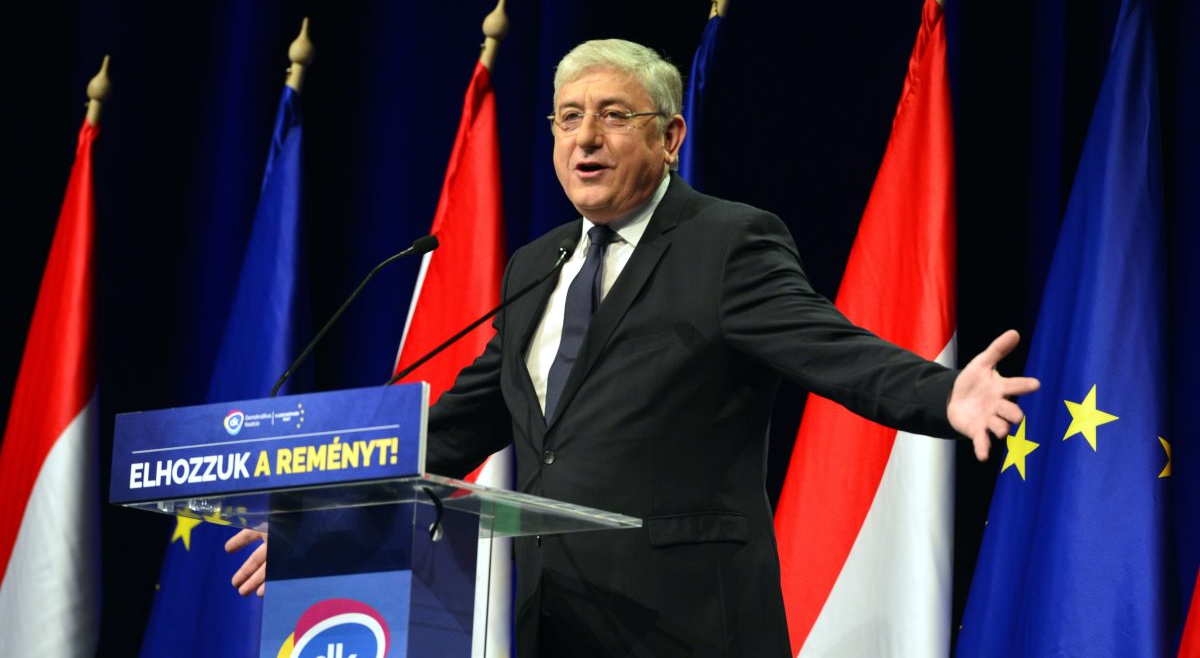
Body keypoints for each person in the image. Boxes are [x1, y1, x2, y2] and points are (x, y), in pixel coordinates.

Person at [228, 38, 1037, 657]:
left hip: (689, 626)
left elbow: (830, 348)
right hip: (557, 622)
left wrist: (943, 394)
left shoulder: (725, 243)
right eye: (569, 116)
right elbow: (462, 423)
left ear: (670, 136)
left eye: (615, 115)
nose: (587, 136)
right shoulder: (536, 266)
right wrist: (328, 521)